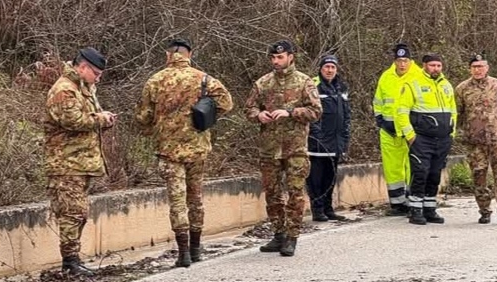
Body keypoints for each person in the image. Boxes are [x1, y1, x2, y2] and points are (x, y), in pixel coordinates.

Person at [135, 38, 234, 267]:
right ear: (190, 54)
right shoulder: (204, 78)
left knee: (177, 201)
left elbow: (143, 117)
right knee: (195, 199)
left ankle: (183, 254)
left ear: (168, 55)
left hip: (169, 151)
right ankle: (196, 249)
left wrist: (155, 127)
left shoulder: (155, 81)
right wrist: (206, 115)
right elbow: (227, 103)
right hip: (197, 148)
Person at [245, 40, 323, 257]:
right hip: (269, 149)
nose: (276, 61)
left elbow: (316, 111)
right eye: (273, 57)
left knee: (295, 193)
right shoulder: (263, 83)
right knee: (272, 193)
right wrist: (258, 115)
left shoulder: (304, 82)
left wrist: (291, 112)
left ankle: (292, 236)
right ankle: (278, 233)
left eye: (280, 57)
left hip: (295, 148)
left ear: (290, 57)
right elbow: (249, 108)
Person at [43, 47, 117, 275]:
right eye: (96, 73)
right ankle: (70, 263)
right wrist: (100, 119)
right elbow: (73, 121)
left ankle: (73, 260)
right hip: (66, 164)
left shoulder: (83, 89)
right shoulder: (64, 89)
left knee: (79, 213)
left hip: (80, 163)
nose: (98, 78)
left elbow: (86, 118)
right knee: (71, 213)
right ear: (83, 67)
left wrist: (103, 119)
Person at [394, 53, 456, 226]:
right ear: (424, 66)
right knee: (420, 172)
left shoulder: (446, 85)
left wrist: (452, 133)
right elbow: (401, 111)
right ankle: (415, 210)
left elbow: (453, 110)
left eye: (438, 65)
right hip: (421, 138)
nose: (436, 69)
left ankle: (429, 208)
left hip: (443, 138)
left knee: (435, 174)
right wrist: (410, 136)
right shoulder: (413, 83)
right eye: (432, 65)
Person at [455, 53, 497, 226]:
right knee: (478, 176)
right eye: (474, 67)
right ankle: (484, 211)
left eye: (481, 66)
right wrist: (467, 129)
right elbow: (458, 112)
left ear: (487, 68)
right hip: (475, 142)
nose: (478, 70)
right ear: (470, 69)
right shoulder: (462, 88)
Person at [373, 43, 420, 215]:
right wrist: (380, 119)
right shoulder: (386, 77)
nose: (402, 64)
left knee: (413, 166)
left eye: (405, 60)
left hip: (411, 130)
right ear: (394, 61)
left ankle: (413, 200)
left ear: (411, 61)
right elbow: (378, 101)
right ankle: (398, 204)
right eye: (399, 60)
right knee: (392, 168)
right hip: (389, 130)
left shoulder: (419, 75)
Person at [307, 54, 351, 222]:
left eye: (333, 67)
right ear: (321, 69)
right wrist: (317, 135)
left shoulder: (341, 87)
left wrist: (345, 136)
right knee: (316, 178)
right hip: (318, 142)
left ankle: (328, 208)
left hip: (336, 141)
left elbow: (346, 114)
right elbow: (311, 114)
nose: (330, 70)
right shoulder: (313, 85)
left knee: (330, 177)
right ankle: (317, 209)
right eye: (327, 67)